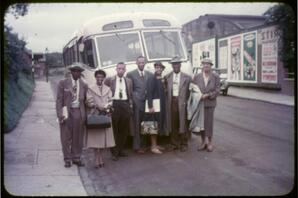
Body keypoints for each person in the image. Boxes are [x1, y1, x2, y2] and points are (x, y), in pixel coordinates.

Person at [56, 62, 88, 168]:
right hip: (67, 112)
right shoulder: (63, 83)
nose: (77, 73)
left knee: (78, 136)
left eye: (79, 71)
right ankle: (67, 159)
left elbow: (86, 101)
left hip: (78, 111)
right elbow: (59, 100)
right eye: (74, 71)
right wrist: (60, 114)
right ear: (71, 72)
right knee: (66, 137)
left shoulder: (83, 84)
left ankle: (76, 157)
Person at [85, 69, 115, 168]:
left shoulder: (108, 88)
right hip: (96, 115)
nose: (100, 79)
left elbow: (111, 100)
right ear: (95, 77)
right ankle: (96, 159)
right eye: (98, 77)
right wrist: (97, 106)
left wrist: (107, 106)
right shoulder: (91, 88)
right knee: (95, 139)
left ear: (104, 78)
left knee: (103, 138)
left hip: (105, 115)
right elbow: (88, 100)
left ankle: (101, 158)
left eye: (101, 77)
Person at [104, 62, 133, 161]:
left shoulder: (128, 81)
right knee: (114, 129)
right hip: (114, 104)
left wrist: (130, 106)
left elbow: (130, 94)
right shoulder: (110, 80)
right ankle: (114, 152)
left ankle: (121, 150)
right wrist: (108, 106)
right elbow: (105, 92)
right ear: (116, 69)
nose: (121, 70)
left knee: (124, 129)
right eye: (119, 68)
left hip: (125, 104)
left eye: (122, 69)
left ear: (125, 70)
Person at [126, 56, 154, 154]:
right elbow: (129, 89)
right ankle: (137, 146)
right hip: (136, 103)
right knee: (137, 125)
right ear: (136, 63)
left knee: (146, 124)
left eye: (143, 62)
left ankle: (145, 145)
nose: (141, 64)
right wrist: (134, 97)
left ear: (145, 63)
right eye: (140, 62)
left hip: (147, 103)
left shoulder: (150, 74)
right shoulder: (130, 74)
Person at [192, 58, 220, 152]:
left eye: (208, 64)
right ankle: (203, 142)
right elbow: (193, 88)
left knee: (209, 123)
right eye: (204, 64)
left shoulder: (215, 76)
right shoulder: (197, 77)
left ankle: (210, 142)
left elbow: (217, 90)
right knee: (201, 124)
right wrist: (198, 96)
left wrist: (208, 95)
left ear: (211, 66)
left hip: (210, 103)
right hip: (200, 103)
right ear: (202, 66)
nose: (206, 66)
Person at [165, 56, 192, 152]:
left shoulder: (187, 78)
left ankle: (184, 143)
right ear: (172, 66)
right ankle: (174, 143)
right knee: (173, 123)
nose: (176, 65)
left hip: (182, 103)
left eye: (177, 63)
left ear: (180, 65)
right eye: (174, 64)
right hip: (172, 102)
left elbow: (190, 93)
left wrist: (187, 102)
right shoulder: (167, 77)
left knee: (183, 123)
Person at [143, 61, 167, 154]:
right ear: (155, 68)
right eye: (157, 67)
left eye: (160, 68)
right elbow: (149, 92)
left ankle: (155, 144)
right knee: (152, 125)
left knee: (157, 124)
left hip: (160, 106)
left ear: (162, 69)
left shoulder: (161, 78)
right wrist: (150, 106)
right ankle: (153, 147)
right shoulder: (151, 78)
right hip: (153, 107)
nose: (159, 69)